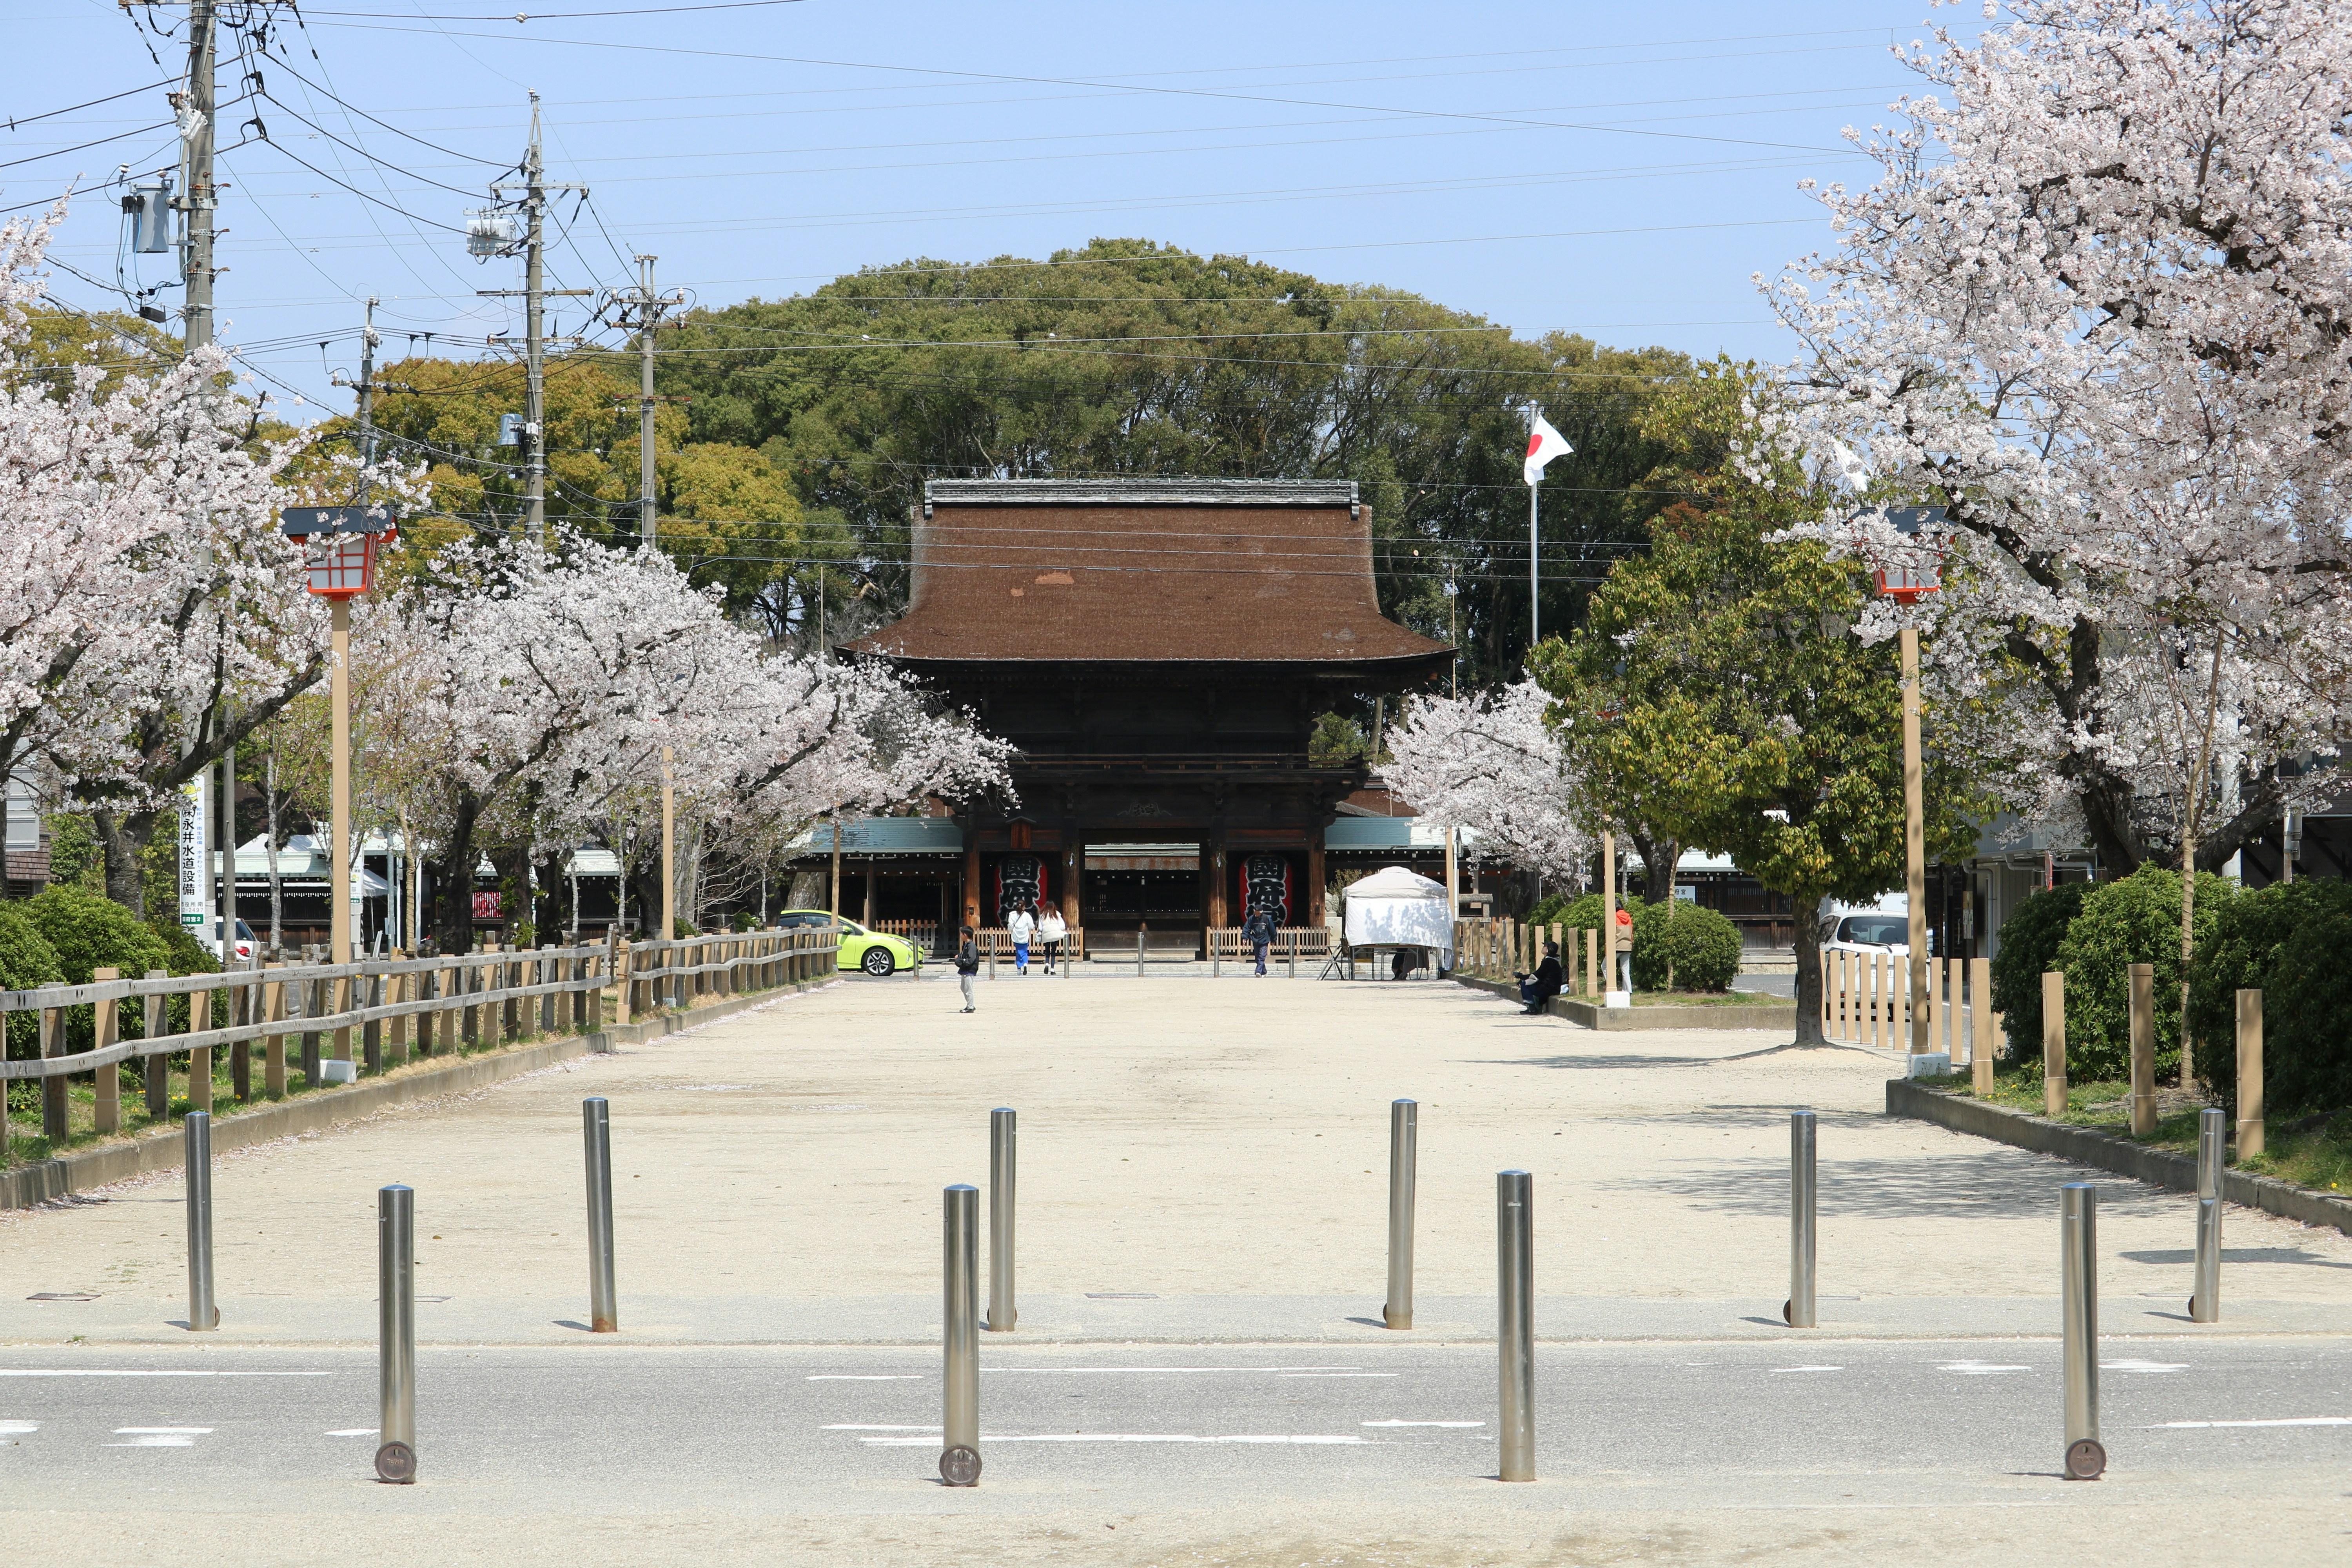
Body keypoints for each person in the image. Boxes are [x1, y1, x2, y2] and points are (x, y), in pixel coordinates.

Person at [1517, 941, 1564, 1015]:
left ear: (1548, 950)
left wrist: (1522, 977)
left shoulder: (1548, 961)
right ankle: (1532, 1009)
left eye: (1545, 946)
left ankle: (1532, 1010)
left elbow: (1537, 975)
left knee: (1525, 986)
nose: (1543, 948)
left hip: (1549, 990)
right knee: (1526, 984)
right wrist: (1524, 978)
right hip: (1552, 988)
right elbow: (1539, 977)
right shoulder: (1552, 961)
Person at [1242, 904, 1278, 977]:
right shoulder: (1251, 919)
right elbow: (1247, 929)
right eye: (1256, 912)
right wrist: (1245, 938)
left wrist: (1274, 939)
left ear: (1261, 912)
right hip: (1255, 940)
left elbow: (1272, 930)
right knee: (1257, 958)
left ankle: (1258, 971)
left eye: (1258, 913)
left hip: (1264, 939)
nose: (1257, 914)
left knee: (1262, 956)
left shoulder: (1267, 919)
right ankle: (1264, 972)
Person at [953, 925, 980, 1013]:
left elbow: (971, 959)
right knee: (964, 988)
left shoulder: (971, 946)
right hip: (966, 970)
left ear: (965, 935)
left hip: (969, 970)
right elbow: (964, 956)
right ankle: (969, 1005)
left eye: (961, 934)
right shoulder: (967, 945)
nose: (961, 936)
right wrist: (959, 957)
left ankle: (971, 1007)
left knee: (969, 989)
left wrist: (962, 963)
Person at [1007, 903, 1036, 976]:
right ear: (1024, 907)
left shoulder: (1012, 914)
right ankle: (1025, 964)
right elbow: (1032, 926)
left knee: (1018, 952)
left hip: (1016, 936)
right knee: (1025, 952)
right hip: (1024, 936)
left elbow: (1010, 925)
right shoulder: (1027, 915)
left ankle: (1019, 968)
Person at [1037, 904, 1066, 975]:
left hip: (1046, 935)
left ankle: (1047, 964)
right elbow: (1062, 926)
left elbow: (1040, 928)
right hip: (1055, 934)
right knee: (1054, 951)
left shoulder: (1043, 915)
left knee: (1047, 951)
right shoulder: (1057, 914)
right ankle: (1052, 969)